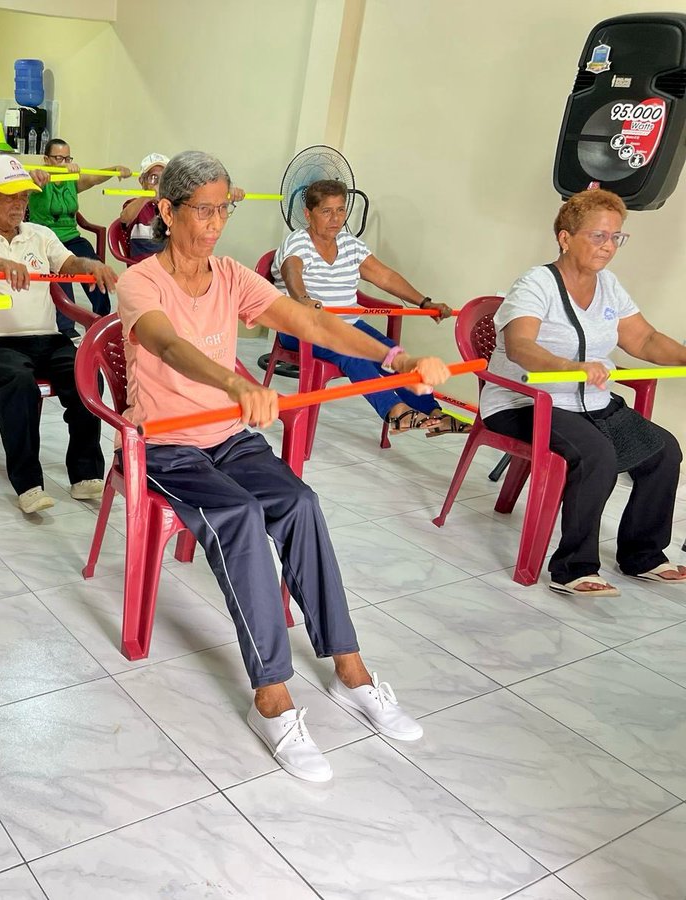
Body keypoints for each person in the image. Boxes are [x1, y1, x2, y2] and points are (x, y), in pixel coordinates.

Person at [117, 152, 451, 780]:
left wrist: (394, 357)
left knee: (301, 503)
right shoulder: (141, 281)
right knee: (240, 516)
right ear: (166, 211)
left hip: (227, 437)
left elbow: (311, 321)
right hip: (164, 444)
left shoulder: (234, 276)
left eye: (224, 208)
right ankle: (271, 697)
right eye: (203, 210)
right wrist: (233, 382)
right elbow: (167, 343)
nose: (216, 223)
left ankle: (350, 669)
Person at [481, 189, 685, 596]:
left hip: (588, 402)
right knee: (596, 455)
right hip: (524, 402)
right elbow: (521, 347)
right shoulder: (535, 284)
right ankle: (574, 567)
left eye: (616, 238)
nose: (608, 247)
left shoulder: (609, 286)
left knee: (664, 451)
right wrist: (570, 367)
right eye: (598, 236)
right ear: (565, 237)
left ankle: (642, 554)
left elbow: (643, 339)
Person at [0, 155, 112, 514]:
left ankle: (85, 474)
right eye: (10, 197)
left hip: (47, 337)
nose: (19, 204)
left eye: (24, 197)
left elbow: (69, 264)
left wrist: (92, 264)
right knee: (18, 384)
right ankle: (28, 483)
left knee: (86, 377)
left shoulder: (41, 235)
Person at [272, 179, 466, 436]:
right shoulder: (297, 242)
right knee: (351, 353)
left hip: (349, 325)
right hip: (301, 329)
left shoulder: (350, 245)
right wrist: (302, 298)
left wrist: (424, 302)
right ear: (308, 214)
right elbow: (291, 270)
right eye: (326, 211)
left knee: (395, 355)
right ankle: (395, 412)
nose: (335, 218)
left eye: (341, 210)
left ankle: (434, 413)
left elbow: (385, 277)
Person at [26, 138, 131, 335]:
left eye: (67, 158)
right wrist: (36, 174)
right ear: (46, 160)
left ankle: (101, 319)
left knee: (95, 267)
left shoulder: (71, 180)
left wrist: (115, 169)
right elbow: (27, 180)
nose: (64, 163)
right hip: (47, 240)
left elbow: (94, 178)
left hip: (72, 237)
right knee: (62, 274)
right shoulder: (40, 180)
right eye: (58, 158)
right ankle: (67, 329)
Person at [117, 153, 169, 261]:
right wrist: (147, 196)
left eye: (163, 178)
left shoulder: (171, 206)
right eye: (153, 178)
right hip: (143, 267)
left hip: (167, 267)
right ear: (142, 181)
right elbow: (124, 218)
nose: (158, 183)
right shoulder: (136, 204)